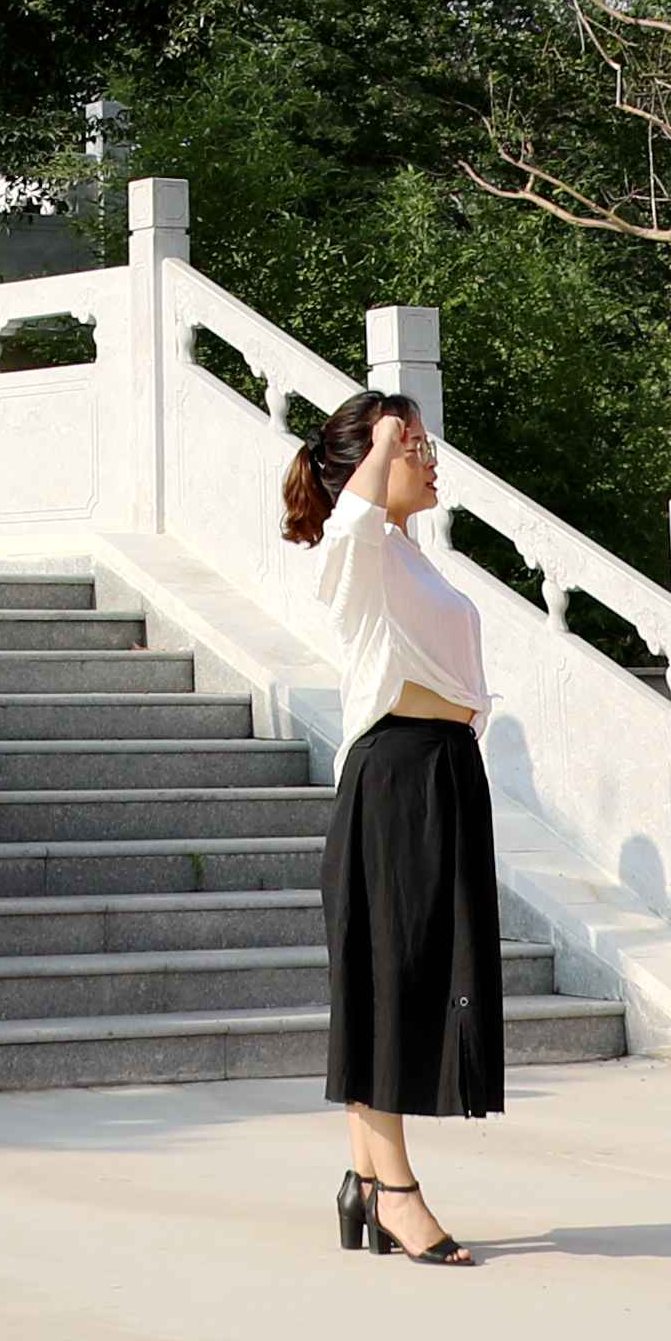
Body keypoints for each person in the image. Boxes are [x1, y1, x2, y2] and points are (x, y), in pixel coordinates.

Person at [293, 384, 495, 1265]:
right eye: (414, 445)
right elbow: (350, 524)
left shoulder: (408, 557)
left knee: (401, 976)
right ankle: (398, 1195)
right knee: (392, 984)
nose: (428, 457)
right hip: (397, 776)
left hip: (439, 771)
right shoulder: (360, 551)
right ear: (370, 463)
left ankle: (366, 1183)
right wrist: (381, 440)